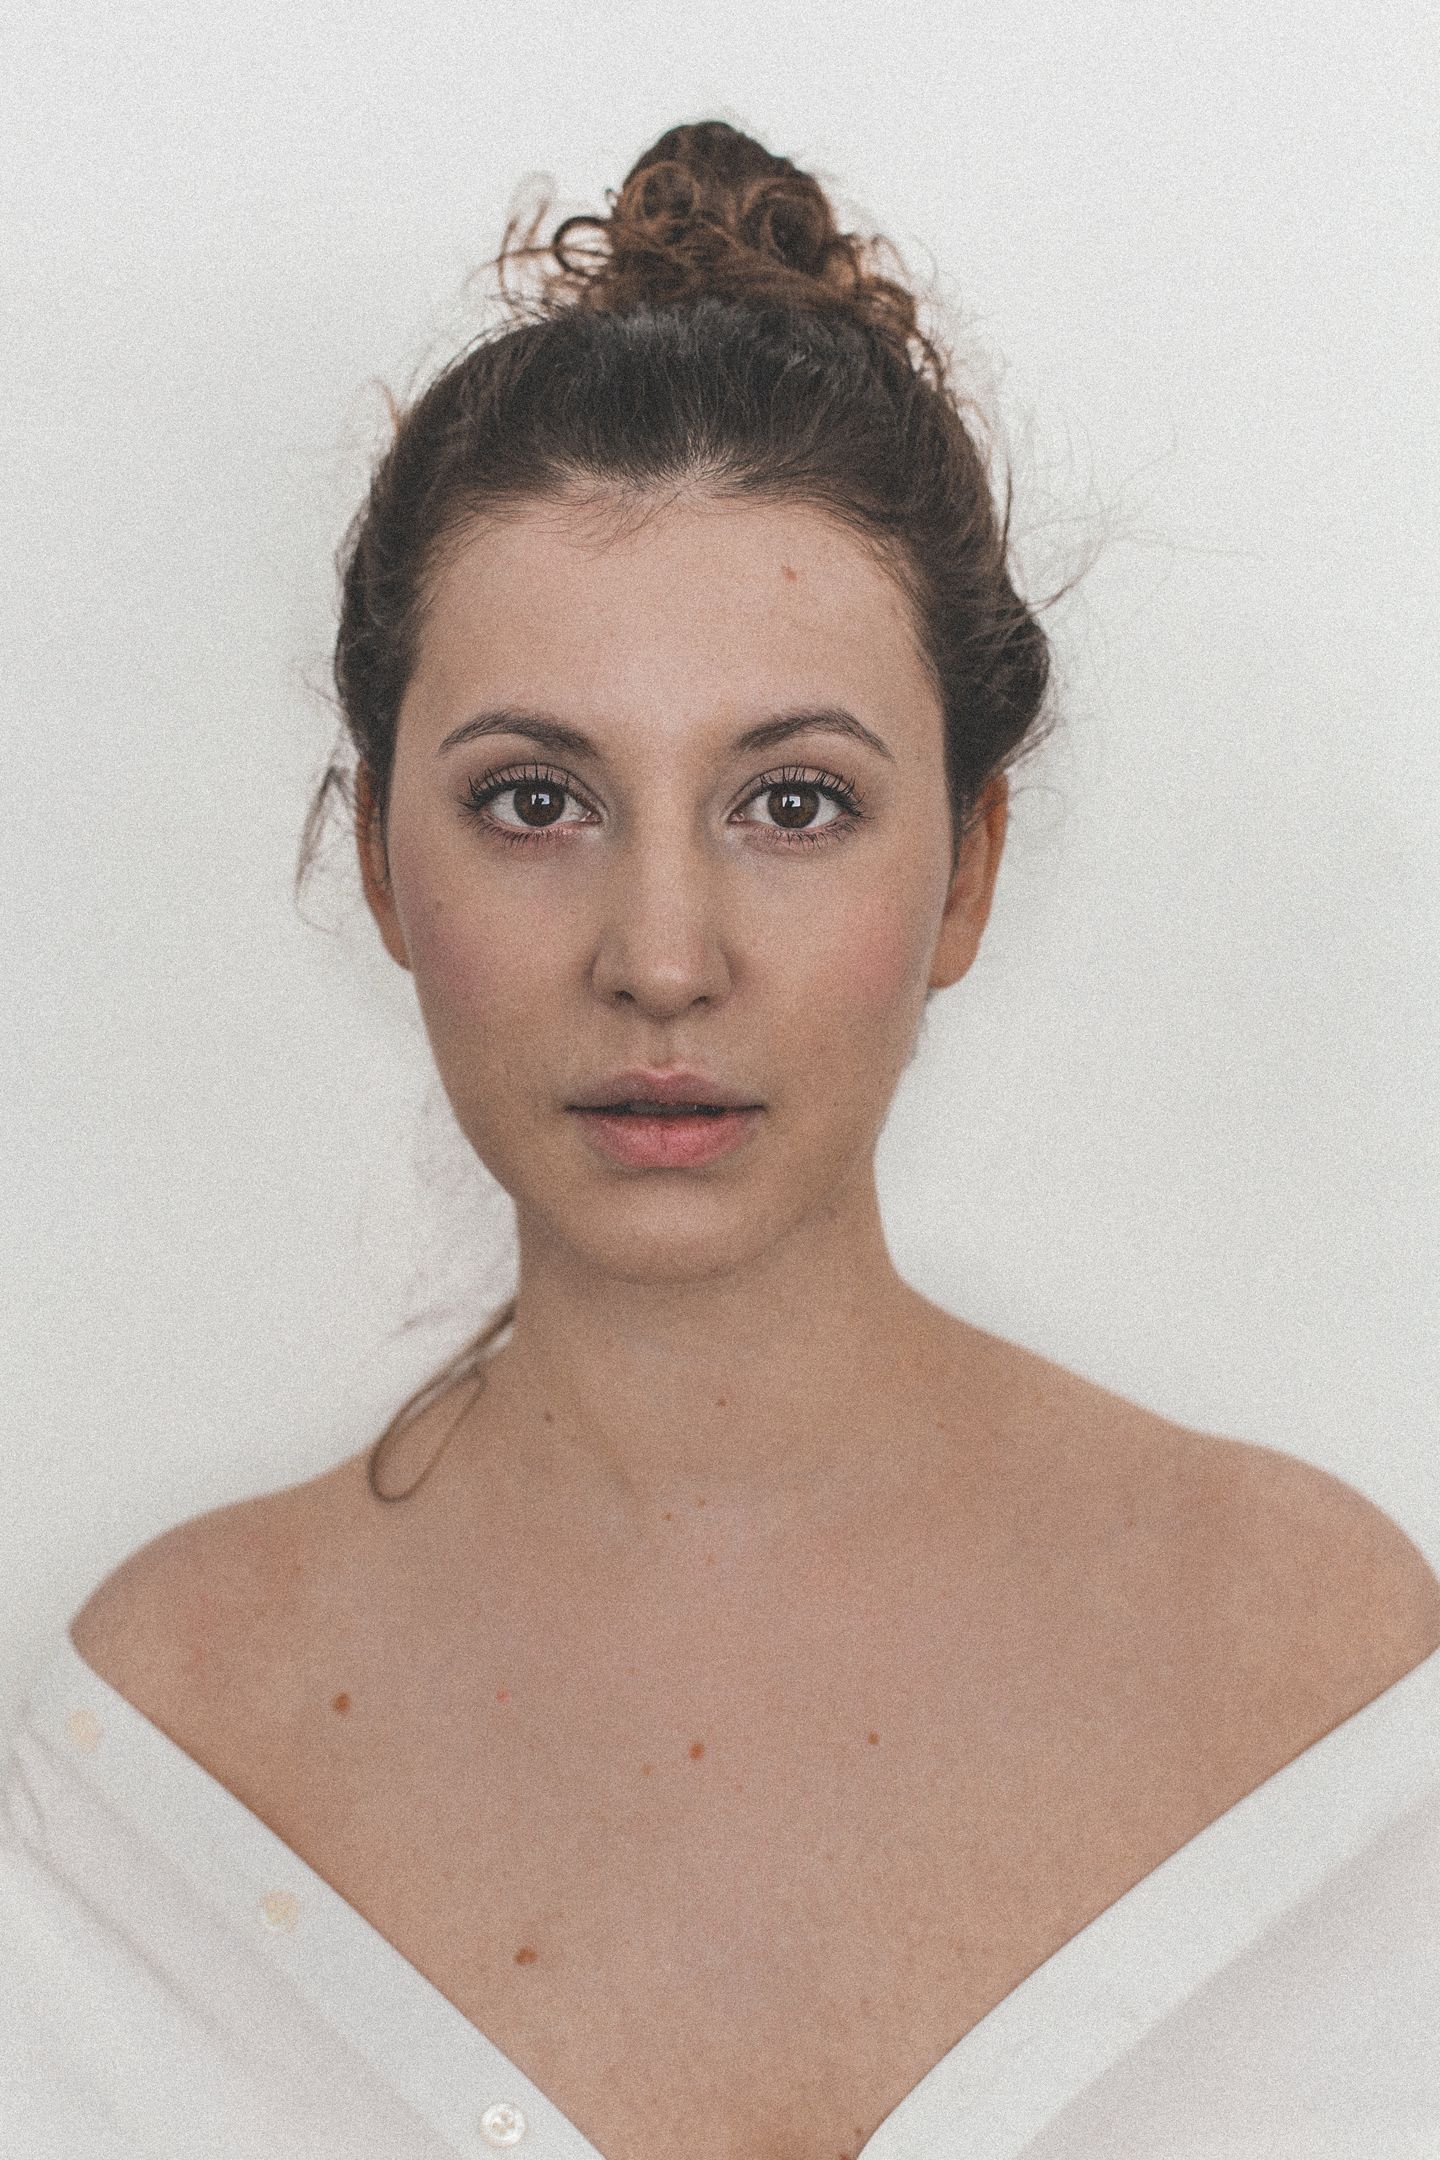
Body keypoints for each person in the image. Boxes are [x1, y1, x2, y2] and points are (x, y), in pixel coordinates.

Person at [5, 118, 1440, 2160]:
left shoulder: (1328, 1679)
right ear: (384, 864)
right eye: (535, 802)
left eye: (792, 803)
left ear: (968, 870)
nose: (661, 959)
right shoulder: (151, 1761)